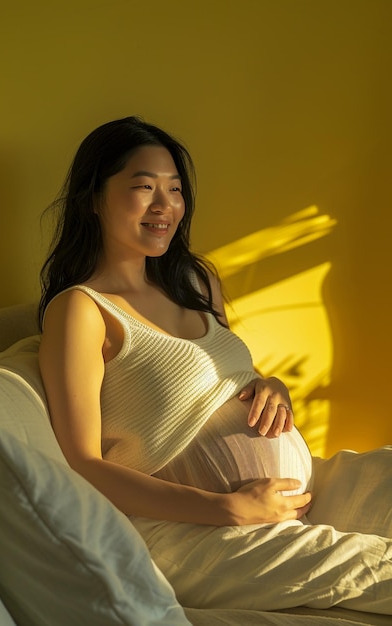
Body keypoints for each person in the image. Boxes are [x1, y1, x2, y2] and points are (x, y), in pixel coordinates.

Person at [38, 116, 392, 615]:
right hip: (198, 531)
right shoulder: (83, 309)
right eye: (144, 187)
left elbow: (218, 377)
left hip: (302, 492)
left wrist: (271, 386)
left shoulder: (195, 279)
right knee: (375, 570)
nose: (166, 206)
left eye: (175, 189)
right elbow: (82, 463)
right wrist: (224, 508)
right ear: (95, 198)